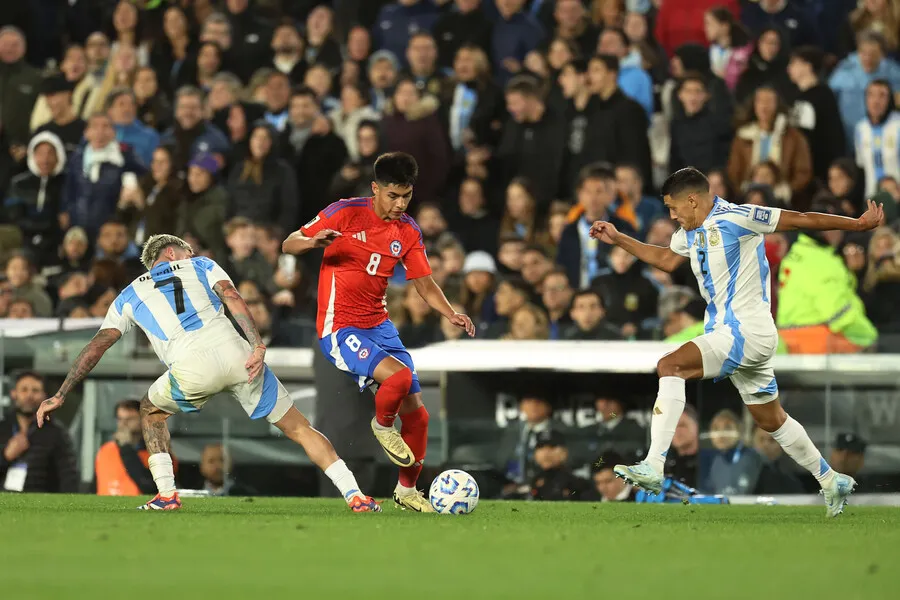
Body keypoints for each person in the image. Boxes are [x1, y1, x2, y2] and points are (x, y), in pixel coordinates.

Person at [592, 167, 885, 517]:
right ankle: (831, 479)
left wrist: (857, 224)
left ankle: (654, 465)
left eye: (673, 208)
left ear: (692, 200)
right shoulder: (690, 232)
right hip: (733, 335)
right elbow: (666, 260)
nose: (671, 216)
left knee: (670, 366)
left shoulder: (739, 217)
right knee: (771, 420)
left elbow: (801, 219)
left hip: (746, 331)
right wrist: (619, 238)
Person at [36, 234, 380, 513]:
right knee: (300, 428)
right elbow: (231, 295)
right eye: (187, 251)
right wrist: (257, 343)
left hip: (191, 367)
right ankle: (355, 495)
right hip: (239, 356)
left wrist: (61, 394)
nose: (191, 254)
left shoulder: (129, 294)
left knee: (151, 411)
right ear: (172, 252)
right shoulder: (201, 264)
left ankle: (167, 495)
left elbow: (97, 346)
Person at [282, 152, 475, 512]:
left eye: (407, 196)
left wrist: (451, 313)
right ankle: (383, 426)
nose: (400, 204)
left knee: (418, 415)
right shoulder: (344, 211)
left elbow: (424, 282)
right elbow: (289, 242)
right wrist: (312, 242)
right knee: (398, 378)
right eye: (393, 196)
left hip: (379, 325)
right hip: (340, 327)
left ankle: (407, 490)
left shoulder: (408, 231)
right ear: (375, 189)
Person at [1, 371, 78, 493]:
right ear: (14, 393)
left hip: (41, 500)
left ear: (44, 396)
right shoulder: (2, 428)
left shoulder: (56, 432)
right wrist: (5, 456)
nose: (29, 395)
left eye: (35, 391)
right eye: (24, 390)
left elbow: (68, 476)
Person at [95, 399, 163, 496]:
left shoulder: (157, 453)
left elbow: (150, 487)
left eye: (130, 419)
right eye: (120, 419)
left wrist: (126, 448)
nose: (123, 424)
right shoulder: (106, 449)